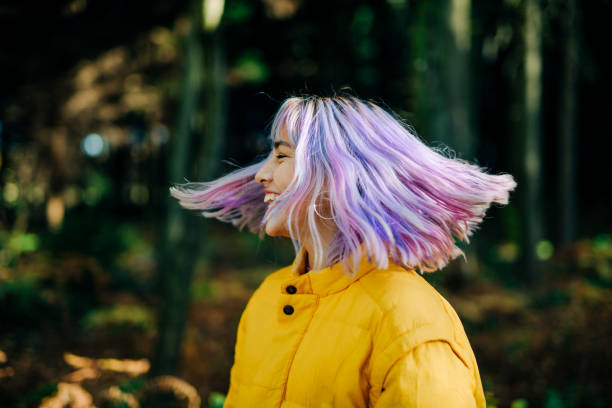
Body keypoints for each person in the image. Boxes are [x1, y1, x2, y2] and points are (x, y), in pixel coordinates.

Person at [170, 94, 517, 407]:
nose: (262, 174)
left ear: (337, 174)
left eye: (281, 155)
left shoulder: (410, 322)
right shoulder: (266, 300)